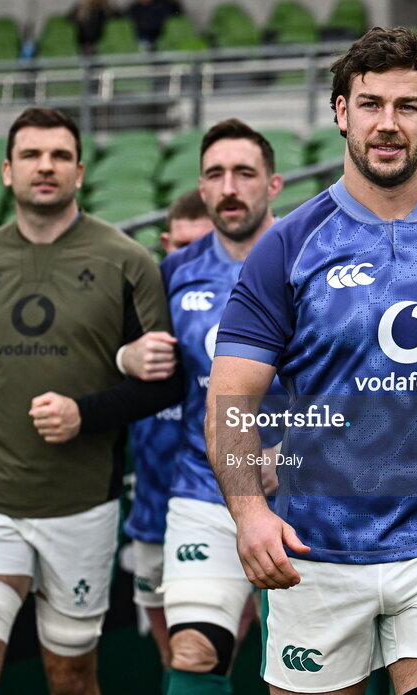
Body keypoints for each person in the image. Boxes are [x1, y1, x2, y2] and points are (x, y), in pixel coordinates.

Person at [204, 28, 417, 695]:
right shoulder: (286, 250)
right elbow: (231, 403)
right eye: (370, 105)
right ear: (341, 113)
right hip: (315, 553)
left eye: (408, 106)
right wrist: (249, 513)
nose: (387, 124)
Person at [0, 106, 183, 695]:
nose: (45, 167)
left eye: (59, 156)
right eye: (31, 156)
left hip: (80, 505)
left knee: (71, 675)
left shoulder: (127, 262)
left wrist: (85, 415)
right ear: (8, 171)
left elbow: (165, 384)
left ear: (79, 171)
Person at [122, 118, 286, 695]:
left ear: (274, 184)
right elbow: (141, 368)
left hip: (308, 489)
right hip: (204, 486)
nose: (229, 187)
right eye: (216, 174)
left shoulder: (318, 261)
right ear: (203, 184)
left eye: (245, 173)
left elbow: (360, 378)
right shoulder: (175, 273)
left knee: (309, 670)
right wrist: (128, 357)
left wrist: (294, 451)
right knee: (192, 651)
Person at [122, 189, 212, 682]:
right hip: (152, 521)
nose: (191, 260)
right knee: (177, 661)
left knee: (212, 652)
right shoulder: (136, 317)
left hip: (233, 518)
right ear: (163, 243)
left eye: (205, 246)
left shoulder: (248, 322)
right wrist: (124, 358)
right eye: (181, 246)